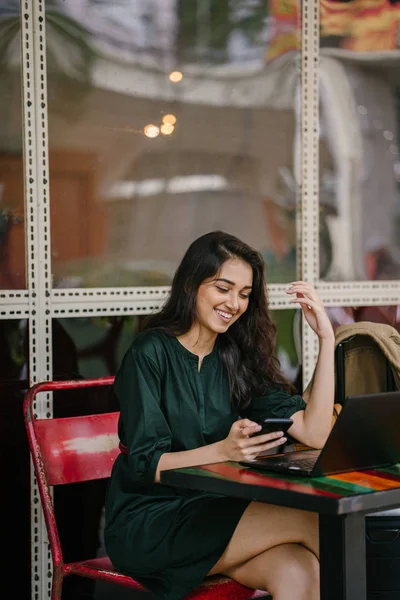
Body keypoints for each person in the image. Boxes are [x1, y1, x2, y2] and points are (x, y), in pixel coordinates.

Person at [104, 231, 335, 600]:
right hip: (149, 523)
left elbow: (315, 432)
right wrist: (224, 451)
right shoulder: (149, 354)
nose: (235, 303)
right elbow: (149, 464)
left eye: (244, 294)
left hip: (214, 512)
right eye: (223, 288)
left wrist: (327, 340)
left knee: (300, 571)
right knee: (319, 525)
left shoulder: (235, 357)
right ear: (192, 284)